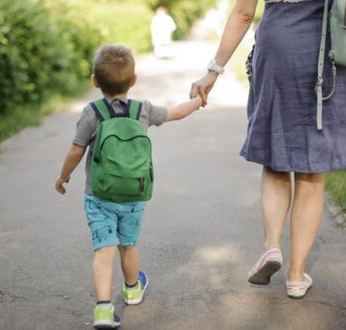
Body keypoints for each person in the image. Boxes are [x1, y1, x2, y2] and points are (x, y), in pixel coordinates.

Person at [189, 0, 346, 299]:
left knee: (276, 158)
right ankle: (295, 276)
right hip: (328, 49)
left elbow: (243, 13)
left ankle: (271, 246)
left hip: (278, 44)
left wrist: (212, 72)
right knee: (311, 171)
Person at [55, 45, 203, 330]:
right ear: (133, 80)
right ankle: (133, 289)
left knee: (104, 249)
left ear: (94, 80)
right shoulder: (142, 110)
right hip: (134, 194)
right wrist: (198, 100)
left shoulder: (92, 112)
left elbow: (76, 151)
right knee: (129, 245)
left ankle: (103, 310)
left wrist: (63, 177)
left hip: (99, 195)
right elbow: (175, 113)